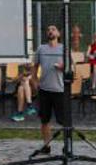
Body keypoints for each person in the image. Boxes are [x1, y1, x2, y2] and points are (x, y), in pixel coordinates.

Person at [29, 25, 68, 154]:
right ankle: (46, 146)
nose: (50, 31)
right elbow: (35, 66)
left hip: (59, 90)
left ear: (58, 34)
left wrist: (63, 67)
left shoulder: (64, 48)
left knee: (63, 121)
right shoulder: (41, 48)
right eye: (48, 30)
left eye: (53, 29)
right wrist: (34, 80)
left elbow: (72, 68)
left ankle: (66, 146)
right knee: (44, 120)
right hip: (44, 90)